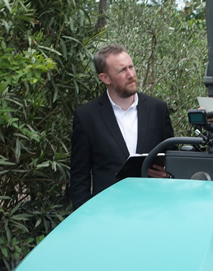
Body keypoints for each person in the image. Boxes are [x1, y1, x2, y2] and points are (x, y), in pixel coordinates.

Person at [69, 44, 175, 209]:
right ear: (105, 78)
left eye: (131, 67)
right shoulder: (87, 116)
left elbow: (173, 157)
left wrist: (168, 175)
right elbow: (79, 177)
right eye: (122, 70)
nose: (131, 75)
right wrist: (86, 219)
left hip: (154, 207)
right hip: (109, 213)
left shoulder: (157, 109)